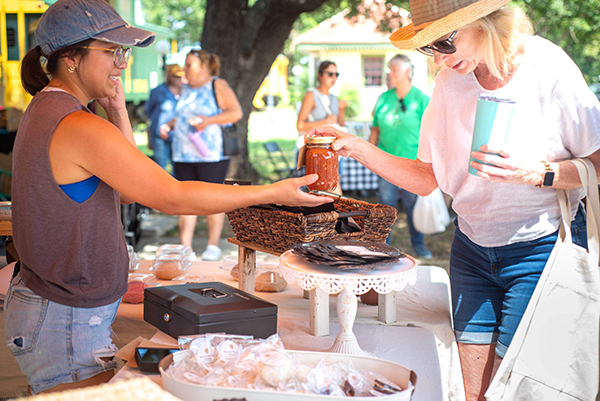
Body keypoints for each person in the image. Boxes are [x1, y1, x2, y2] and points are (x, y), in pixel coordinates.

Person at [5, 0, 330, 395]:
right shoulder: (77, 125)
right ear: (71, 59)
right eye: (112, 51)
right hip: (65, 321)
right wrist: (273, 192)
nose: (122, 64)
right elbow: (172, 196)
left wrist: (118, 111)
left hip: (57, 310)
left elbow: (126, 190)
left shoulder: (48, 108)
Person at [307, 0, 600, 399]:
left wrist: (539, 172)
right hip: (470, 252)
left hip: (541, 248)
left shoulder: (547, 67)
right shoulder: (449, 81)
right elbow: (427, 177)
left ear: (487, 22)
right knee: (473, 395)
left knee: (521, 392)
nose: (440, 59)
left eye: (445, 41)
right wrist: (356, 147)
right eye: (429, 47)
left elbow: (596, 160)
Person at [159, 49, 241, 261]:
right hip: (183, 154)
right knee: (184, 199)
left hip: (211, 154)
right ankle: (185, 247)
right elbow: (185, 117)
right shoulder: (186, 89)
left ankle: (213, 245)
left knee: (213, 198)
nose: (184, 69)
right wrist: (168, 125)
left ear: (203, 67)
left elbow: (235, 113)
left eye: (189, 65)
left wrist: (208, 121)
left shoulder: (217, 85)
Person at [370, 54, 432, 258]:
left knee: (412, 206)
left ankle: (418, 245)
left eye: (394, 68)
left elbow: (433, 133)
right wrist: (370, 155)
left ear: (407, 72)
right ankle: (383, 247)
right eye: (389, 69)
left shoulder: (422, 99)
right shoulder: (384, 98)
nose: (390, 73)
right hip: (385, 164)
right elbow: (375, 130)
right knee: (385, 207)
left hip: (413, 164)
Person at [296, 61, 346, 194]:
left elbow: (340, 125)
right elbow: (300, 125)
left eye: (336, 74)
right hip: (316, 148)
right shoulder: (311, 95)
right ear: (320, 75)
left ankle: (335, 211)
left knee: (332, 183)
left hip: (332, 148)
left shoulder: (335, 99)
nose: (333, 78)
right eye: (330, 74)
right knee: (324, 187)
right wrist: (325, 121)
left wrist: (342, 110)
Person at [145, 64, 184, 172]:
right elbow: (148, 109)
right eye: (176, 76)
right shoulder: (158, 92)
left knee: (178, 167)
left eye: (181, 77)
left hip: (177, 135)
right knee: (160, 165)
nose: (179, 79)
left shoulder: (185, 92)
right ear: (169, 77)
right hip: (159, 135)